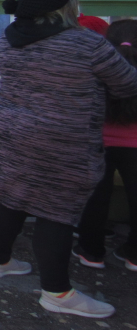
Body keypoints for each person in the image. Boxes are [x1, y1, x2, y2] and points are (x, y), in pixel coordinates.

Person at [0, 0, 137, 319]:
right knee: (56, 210)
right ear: (69, 8)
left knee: (9, 196)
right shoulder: (86, 44)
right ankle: (57, 292)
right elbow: (127, 85)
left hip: (11, 132)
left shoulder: (9, 41)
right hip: (63, 137)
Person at [74, 19, 137, 271]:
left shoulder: (98, 66)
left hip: (98, 142)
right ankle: (134, 255)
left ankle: (91, 252)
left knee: (95, 198)